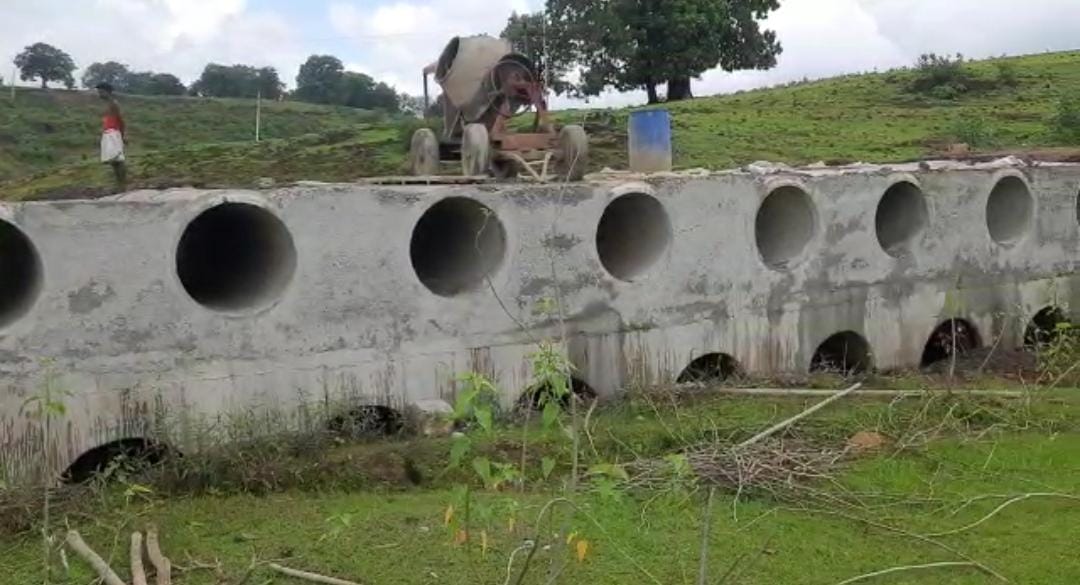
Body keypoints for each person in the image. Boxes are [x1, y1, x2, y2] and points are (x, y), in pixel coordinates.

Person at [95, 82, 127, 192]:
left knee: (118, 159)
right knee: (113, 160)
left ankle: (122, 185)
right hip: (109, 132)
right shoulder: (109, 104)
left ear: (106, 92)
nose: (99, 94)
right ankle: (119, 184)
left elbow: (121, 119)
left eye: (100, 92)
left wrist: (123, 135)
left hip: (114, 132)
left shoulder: (114, 103)